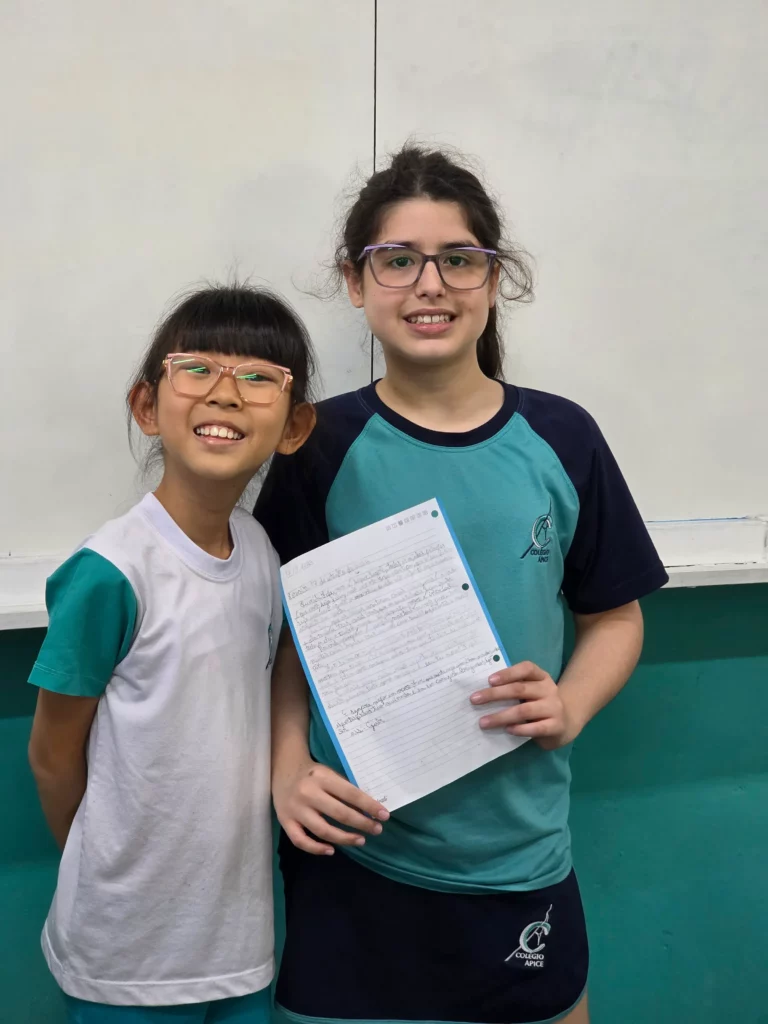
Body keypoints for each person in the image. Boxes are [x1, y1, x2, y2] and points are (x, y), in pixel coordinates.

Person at [254, 146, 669, 1024]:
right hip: (356, 849)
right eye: (397, 260)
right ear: (355, 282)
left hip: (516, 856)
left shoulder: (563, 438)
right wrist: (287, 766)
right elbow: (287, 636)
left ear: (494, 278)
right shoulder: (314, 443)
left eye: (458, 259)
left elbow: (615, 618)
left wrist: (570, 705)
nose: (430, 284)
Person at [27, 284, 316, 1023]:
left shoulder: (260, 550)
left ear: (294, 425)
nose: (225, 393)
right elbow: (53, 756)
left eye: (259, 376)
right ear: (148, 405)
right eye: (196, 368)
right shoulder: (111, 571)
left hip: (237, 943)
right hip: (126, 954)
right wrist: (104, 866)